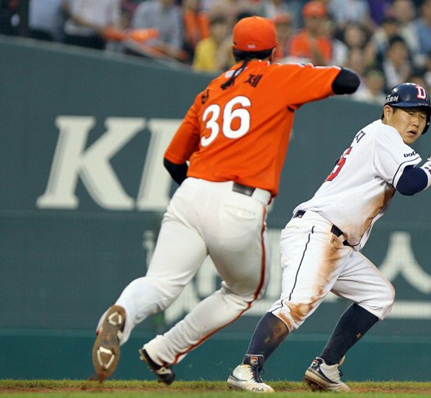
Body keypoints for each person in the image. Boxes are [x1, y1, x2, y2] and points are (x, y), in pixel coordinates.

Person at [91, 16, 360, 384]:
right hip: (239, 200)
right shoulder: (280, 76)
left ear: (234, 51)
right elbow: (349, 80)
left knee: (160, 283)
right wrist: (304, 70)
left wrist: (200, 192)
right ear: (273, 49)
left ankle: (123, 313)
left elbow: (173, 161)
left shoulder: (210, 91)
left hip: (190, 193)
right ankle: (166, 349)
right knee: (242, 292)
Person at [227, 82, 431, 393]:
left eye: (422, 115)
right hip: (319, 231)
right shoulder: (383, 134)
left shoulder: (384, 137)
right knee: (297, 303)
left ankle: (326, 367)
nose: (417, 121)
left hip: (337, 243)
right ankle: (247, 368)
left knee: (379, 295)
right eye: (409, 112)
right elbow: (410, 183)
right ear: (388, 112)